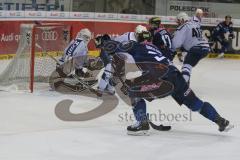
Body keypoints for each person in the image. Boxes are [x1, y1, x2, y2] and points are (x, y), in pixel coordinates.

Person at [100, 32, 233, 136]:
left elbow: (117, 53)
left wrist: (113, 77)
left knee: (132, 90)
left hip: (162, 78)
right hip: (176, 76)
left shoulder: (130, 46)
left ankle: (142, 123)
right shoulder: (153, 48)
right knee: (195, 104)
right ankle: (220, 121)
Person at [95, 25, 147, 95]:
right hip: (112, 50)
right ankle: (100, 88)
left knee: (120, 75)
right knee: (109, 69)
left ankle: (109, 88)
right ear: (136, 33)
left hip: (121, 55)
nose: (142, 37)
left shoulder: (139, 40)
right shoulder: (129, 37)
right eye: (140, 35)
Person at [172, 12, 210, 84]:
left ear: (182, 19)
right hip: (206, 48)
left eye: (178, 21)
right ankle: (186, 80)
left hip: (196, 48)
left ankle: (183, 85)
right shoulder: (195, 23)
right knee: (188, 65)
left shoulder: (183, 27)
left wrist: (172, 50)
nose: (178, 23)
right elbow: (198, 17)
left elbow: (176, 44)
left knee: (186, 65)